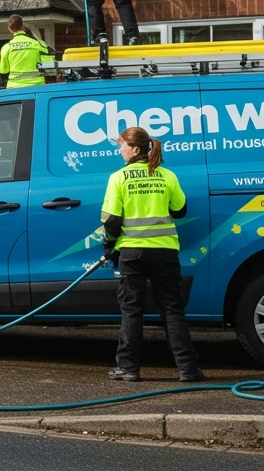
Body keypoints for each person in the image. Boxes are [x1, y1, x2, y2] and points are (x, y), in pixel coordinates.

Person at [101, 126, 203, 383]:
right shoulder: (166, 175)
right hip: (165, 252)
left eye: (121, 145)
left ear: (135, 149)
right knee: (172, 309)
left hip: (133, 252)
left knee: (132, 311)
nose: (119, 150)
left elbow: (111, 220)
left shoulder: (119, 178)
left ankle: (128, 368)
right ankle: (188, 369)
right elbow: (179, 210)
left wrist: (110, 246)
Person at [0, 14, 52, 88]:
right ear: (23, 25)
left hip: (15, 89)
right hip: (36, 87)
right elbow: (49, 67)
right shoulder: (38, 44)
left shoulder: (7, 47)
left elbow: (3, 71)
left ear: (9, 29)